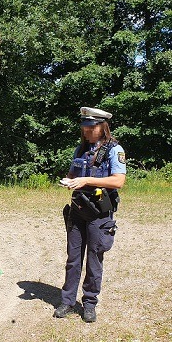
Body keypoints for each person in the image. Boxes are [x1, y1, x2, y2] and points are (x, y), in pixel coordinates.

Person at [55, 106, 126, 323]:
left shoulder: (114, 150)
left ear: (102, 127)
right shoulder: (80, 150)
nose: (86, 131)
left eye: (90, 127)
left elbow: (118, 181)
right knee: (73, 259)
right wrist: (69, 180)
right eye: (84, 127)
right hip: (78, 211)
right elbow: (72, 173)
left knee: (94, 260)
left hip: (99, 214)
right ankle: (67, 301)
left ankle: (89, 304)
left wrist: (87, 181)